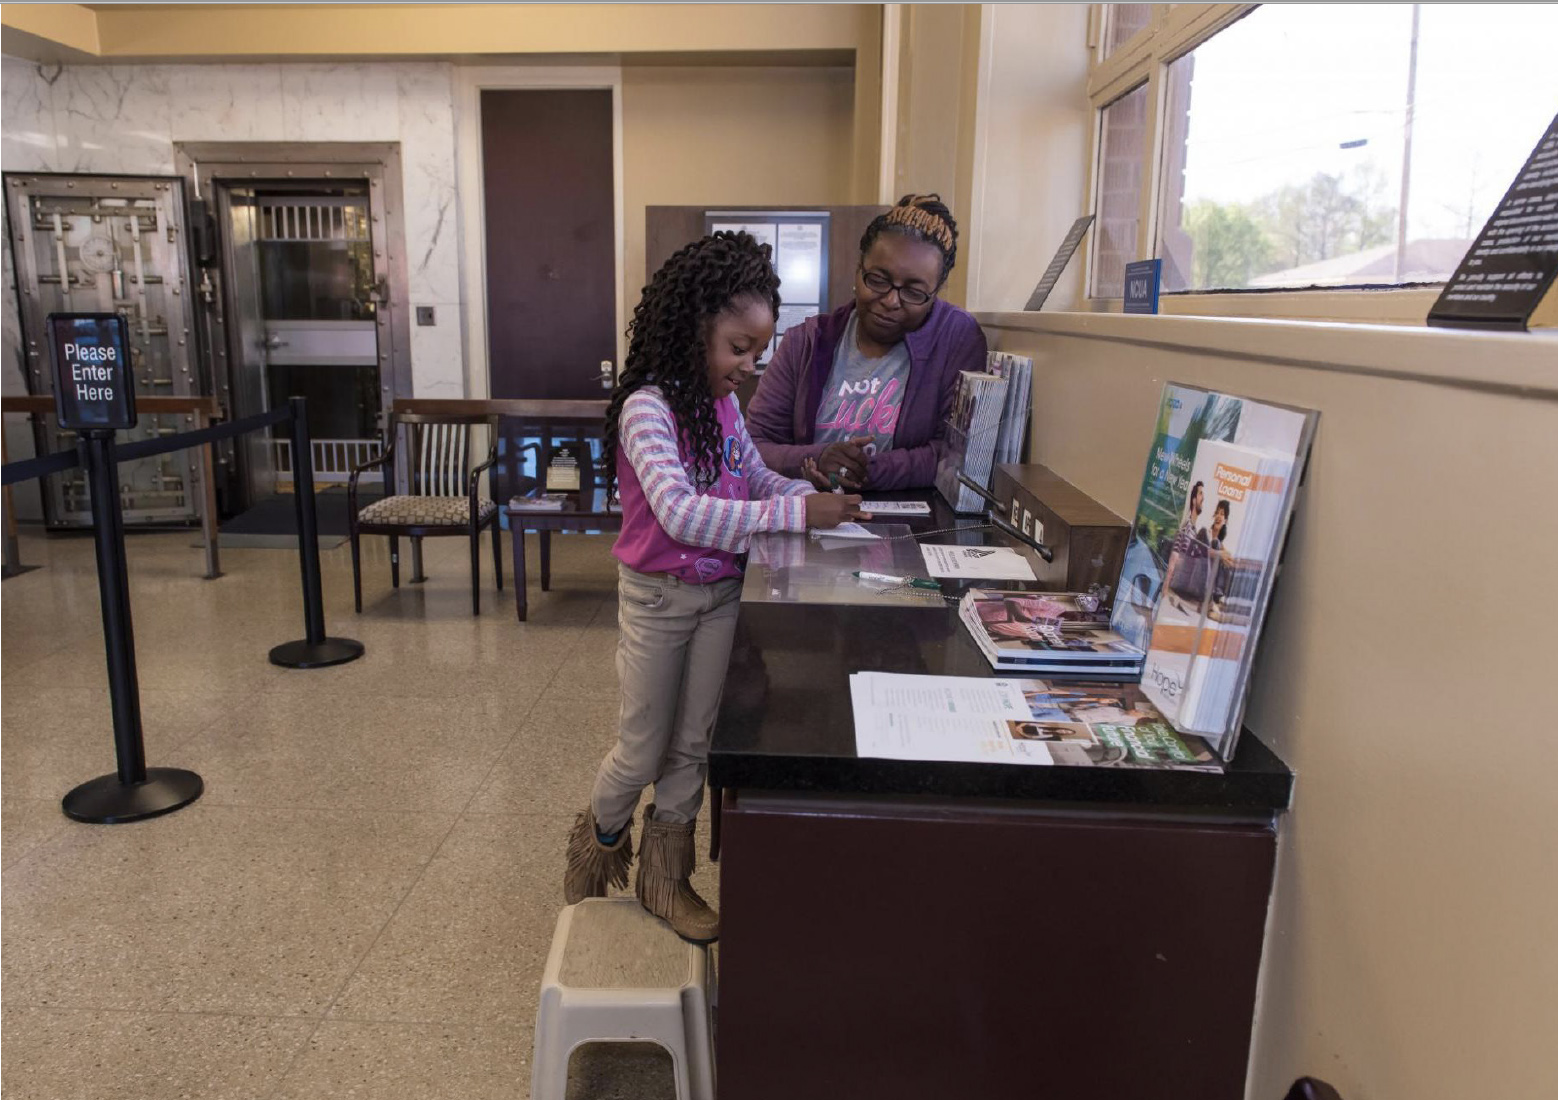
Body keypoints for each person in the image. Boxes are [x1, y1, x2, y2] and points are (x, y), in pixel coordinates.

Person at [562, 232, 868, 943]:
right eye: (738, 347)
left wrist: (810, 489)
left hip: (722, 596)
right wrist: (794, 512)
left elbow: (753, 478)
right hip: (659, 600)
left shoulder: (724, 404)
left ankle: (665, 879)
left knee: (693, 747)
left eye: (759, 351)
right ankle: (598, 843)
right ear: (692, 323)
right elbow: (682, 512)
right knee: (642, 749)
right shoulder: (648, 409)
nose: (749, 366)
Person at [746, 194, 989, 491]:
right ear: (858, 270)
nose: (890, 301)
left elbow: (955, 454)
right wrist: (817, 459)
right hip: (813, 513)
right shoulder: (805, 342)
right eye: (877, 279)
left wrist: (868, 470)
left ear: (936, 291)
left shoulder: (956, 337)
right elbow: (753, 446)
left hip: (915, 520)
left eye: (913, 292)